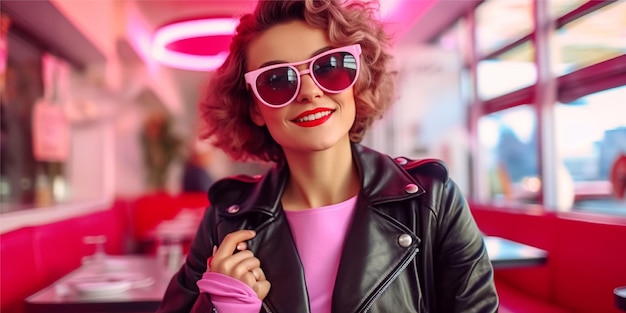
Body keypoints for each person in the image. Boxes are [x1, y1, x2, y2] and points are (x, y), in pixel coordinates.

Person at [157, 0, 498, 312]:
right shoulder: (225, 218)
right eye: (277, 80)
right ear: (255, 108)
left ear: (357, 80)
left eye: (330, 66)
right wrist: (224, 307)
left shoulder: (433, 199)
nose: (309, 91)